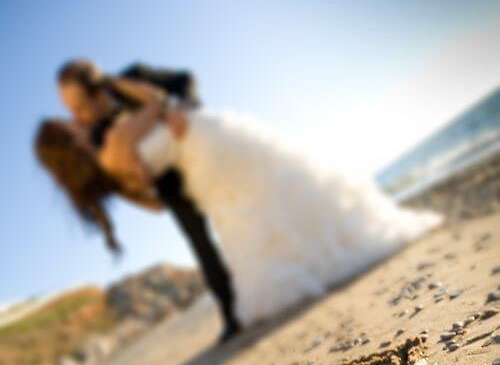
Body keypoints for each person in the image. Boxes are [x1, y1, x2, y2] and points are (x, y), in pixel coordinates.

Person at [36, 79, 442, 329]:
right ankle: (322, 244)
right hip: (194, 157)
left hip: (198, 156)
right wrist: (150, 140)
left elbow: (155, 193)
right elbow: (157, 121)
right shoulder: (111, 151)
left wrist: (162, 129)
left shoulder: (108, 156)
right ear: (68, 142)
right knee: (259, 197)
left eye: (72, 113)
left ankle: (306, 255)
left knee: (259, 199)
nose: (74, 119)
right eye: (67, 123)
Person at [56, 59, 240, 342]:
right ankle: (232, 312)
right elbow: (127, 182)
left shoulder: (134, 77)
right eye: (71, 112)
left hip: (200, 147)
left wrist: (183, 105)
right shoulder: (98, 135)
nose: (78, 118)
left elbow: (184, 78)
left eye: (80, 107)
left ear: (97, 90)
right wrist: (137, 179)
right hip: (170, 182)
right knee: (200, 242)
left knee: (236, 213)